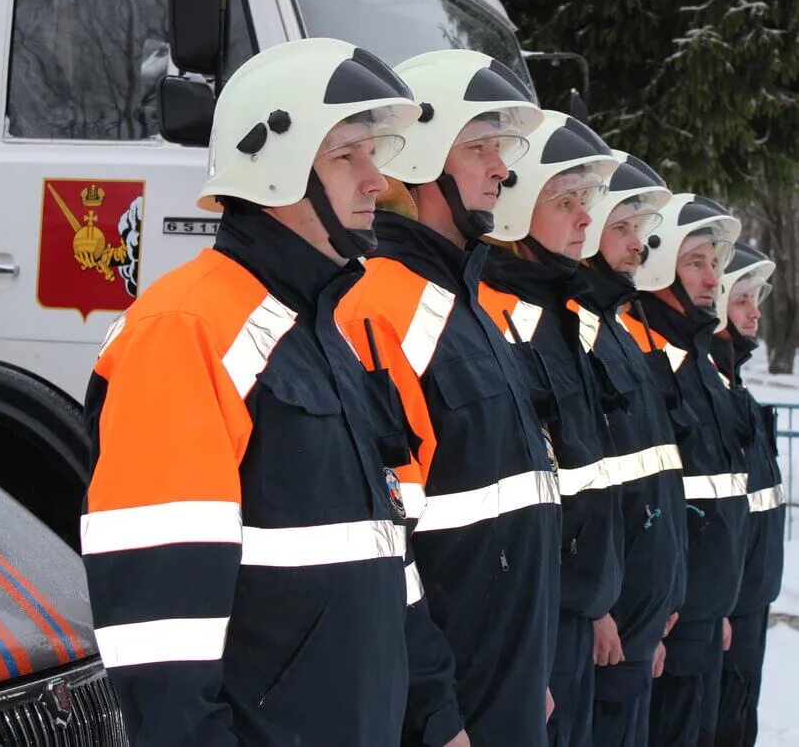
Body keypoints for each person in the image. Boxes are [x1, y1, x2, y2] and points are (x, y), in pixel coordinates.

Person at [80, 38, 468, 747]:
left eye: (372, 155)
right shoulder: (185, 329)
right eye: (348, 154)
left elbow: (385, 553)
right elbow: (159, 632)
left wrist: (437, 715)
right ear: (273, 164)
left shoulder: (326, 330)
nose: (377, 181)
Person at [336, 49, 562, 746]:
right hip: (450, 711)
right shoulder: (376, 307)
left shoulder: (469, 309)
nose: (502, 168)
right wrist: (436, 712)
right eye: (479, 148)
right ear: (423, 159)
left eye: (501, 149)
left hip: (504, 686)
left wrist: (531, 671)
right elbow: (381, 548)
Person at [478, 110, 623, 747]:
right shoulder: (491, 317)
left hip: (569, 620)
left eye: (586, 202)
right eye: (567, 201)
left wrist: (597, 602)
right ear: (512, 206)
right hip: (527, 631)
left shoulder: (553, 315)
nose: (586, 220)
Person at [620, 193, 745, 746]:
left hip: (700, 608)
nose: (711, 276)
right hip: (666, 616)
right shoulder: (644, 353)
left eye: (714, 263)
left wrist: (715, 606)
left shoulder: (698, 359)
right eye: (695, 261)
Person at [573, 152, 687, 746]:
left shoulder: (617, 329)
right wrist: (598, 607)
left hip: (640, 619)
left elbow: (657, 478)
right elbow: (584, 488)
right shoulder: (574, 330)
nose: (636, 246)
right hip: (607, 628)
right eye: (622, 228)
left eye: (639, 233)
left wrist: (667, 597)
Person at [711, 244, 785, 746]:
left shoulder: (738, 392)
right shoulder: (707, 392)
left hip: (750, 600)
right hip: (723, 609)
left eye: (755, 299)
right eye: (741, 300)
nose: (754, 312)